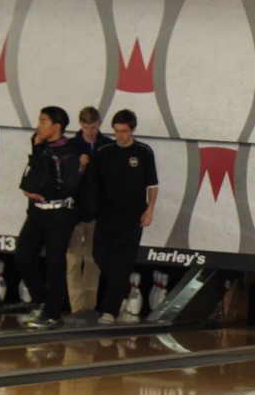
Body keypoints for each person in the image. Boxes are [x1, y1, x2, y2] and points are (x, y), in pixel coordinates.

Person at [13, 106, 83, 330]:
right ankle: (41, 300)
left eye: (44, 121)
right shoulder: (39, 145)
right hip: (37, 212)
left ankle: (53, 312)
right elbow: (30, 178)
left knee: (55, 262)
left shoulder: (69, 153)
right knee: (23, 254)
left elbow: (71, 187)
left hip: (59, 215)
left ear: (57, 127)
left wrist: (45, 193)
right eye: (39, 120)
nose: (39, 125)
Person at [90, 108, 158, 324]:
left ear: (133, 130)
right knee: (100, 256)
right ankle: (120, 288)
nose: (120, 136)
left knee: (122, 261)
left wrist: (150, 210)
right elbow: (93, 184)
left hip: (132, 216)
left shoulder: (143, 151)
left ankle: (109, 310)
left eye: (124, 131)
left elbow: (152, 185)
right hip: (107, 215)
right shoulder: (104, 151)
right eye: (117, 131)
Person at [65, 105, 108, 314]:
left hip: (97, 211)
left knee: (93, 259)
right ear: (80, 126)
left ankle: (89, 306)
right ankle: (76, 307)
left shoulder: (107, 146)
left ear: (99, 124)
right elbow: (64, 181)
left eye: (92, 127)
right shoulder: (72, 146)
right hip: (75, 211)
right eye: (85, 127)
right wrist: (79, 167)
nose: (89, 131)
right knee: (73, 260)